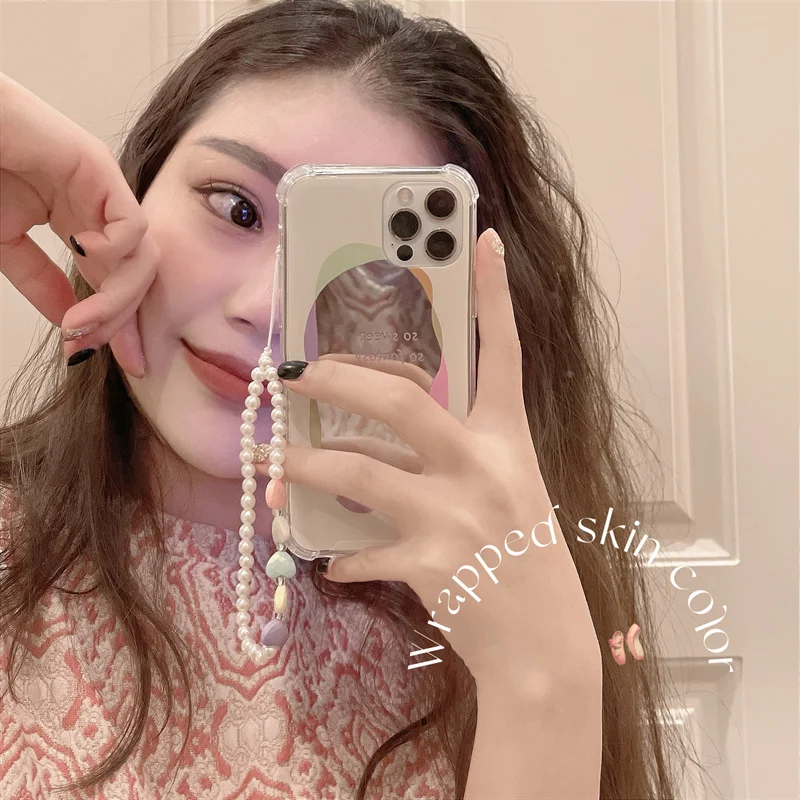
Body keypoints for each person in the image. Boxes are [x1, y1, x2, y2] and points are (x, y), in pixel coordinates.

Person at [0, 1, 692, 797]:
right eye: (235, 208)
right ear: (135, 189)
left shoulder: (483, 611)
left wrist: (544, 682)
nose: (267, 307)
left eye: (367, 265)